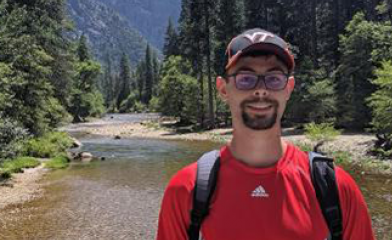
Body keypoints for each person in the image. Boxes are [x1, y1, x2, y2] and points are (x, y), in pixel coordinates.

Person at [157, 28, 375, 240]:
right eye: (245, 78)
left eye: (273, 78)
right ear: (223, 89)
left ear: (288, 88)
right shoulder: (187, 190)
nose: (260, 90)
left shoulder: (335, 188)